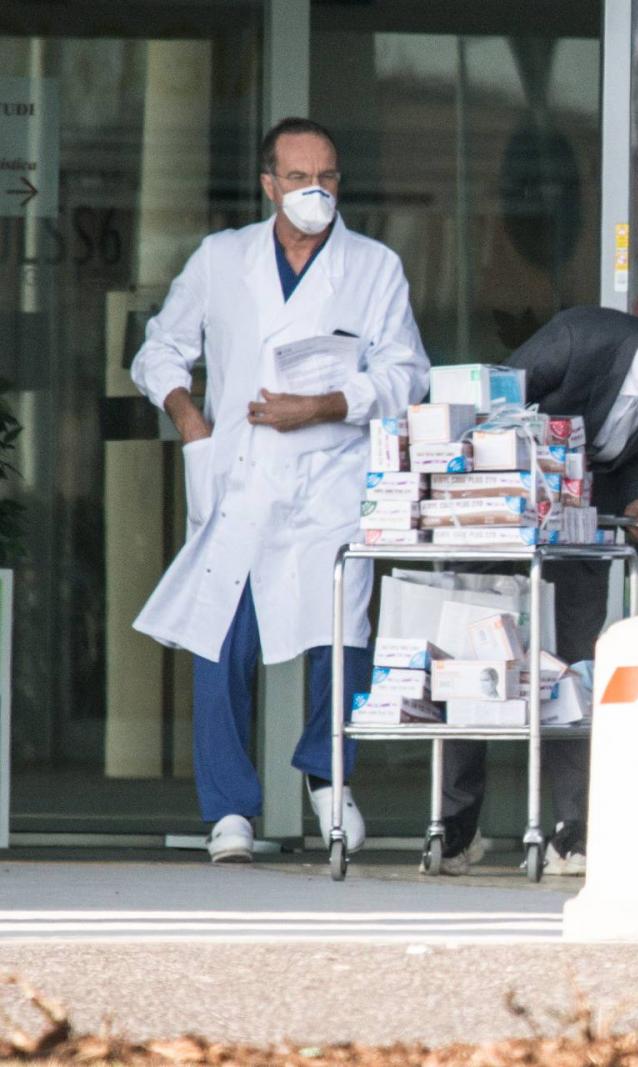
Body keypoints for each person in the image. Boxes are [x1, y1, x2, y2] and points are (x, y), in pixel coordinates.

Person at [130, 117, 430, 863]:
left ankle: (328, 777)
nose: (315, 192)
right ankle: (229, 808)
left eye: (327, 177)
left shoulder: (373, 266)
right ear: (270, 185)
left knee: (341, 637)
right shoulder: (221, 258)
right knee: (220, 641)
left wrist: (326, 405)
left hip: (330, 477)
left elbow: (407, 373)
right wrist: (190, 418)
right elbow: (161, 348)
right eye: (299, 178)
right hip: (242, 477)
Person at [436, 311, 638, 875]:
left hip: (579, 527)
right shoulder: (581, 342)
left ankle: (572, 831)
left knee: (576, 670)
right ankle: (457, 826)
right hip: (499, 514)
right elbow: (490, 409)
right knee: (474, 665)